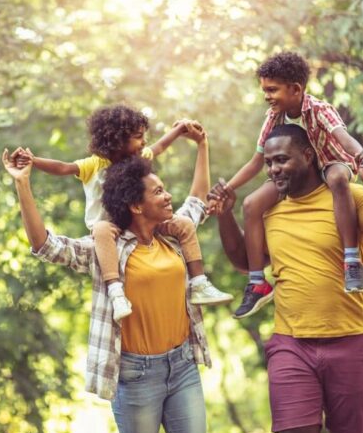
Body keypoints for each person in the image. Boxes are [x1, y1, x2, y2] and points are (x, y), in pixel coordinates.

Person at [2, 128, 214, 433]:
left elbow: (197, 201)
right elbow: (45, 245)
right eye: (158, 192)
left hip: (183, 366)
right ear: (136, 206)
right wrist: (22, 183)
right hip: (137, 375)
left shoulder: (173, 235)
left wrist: (202, 145)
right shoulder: (106, 250)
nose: (168, 196)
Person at [211, 124, 363, 433]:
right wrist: (225, 215)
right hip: (292, 344)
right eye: (269, 163)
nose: (274, 169)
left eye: (282, 160)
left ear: (308, 156)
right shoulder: (270, 211)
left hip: (352, 339)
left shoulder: (349, 197)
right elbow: (243, 262)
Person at [14, 104, 231, 322]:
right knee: (102, 229)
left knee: (184, 224)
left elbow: (162, 147)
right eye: (138, 137)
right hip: (107, 231)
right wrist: (31, 166)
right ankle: (116, 292)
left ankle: (199, 282)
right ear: (117, 139)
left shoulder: (167, 231)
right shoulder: (95, 165)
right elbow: (62, 168)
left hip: (181, 354)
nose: (168, 197)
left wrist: (187, 133)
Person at [215, 52, 363, 320]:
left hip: (331, 162)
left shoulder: (320, 110)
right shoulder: (274, 116)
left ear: (296, 89)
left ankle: (351, 260)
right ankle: (257, 283)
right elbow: (255, 162)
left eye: (272, 89)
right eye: (264, 90)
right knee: (251, 204)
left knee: (336, 179)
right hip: (295, 172)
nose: (267, 96)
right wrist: (227, 188)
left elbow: (343, 139)